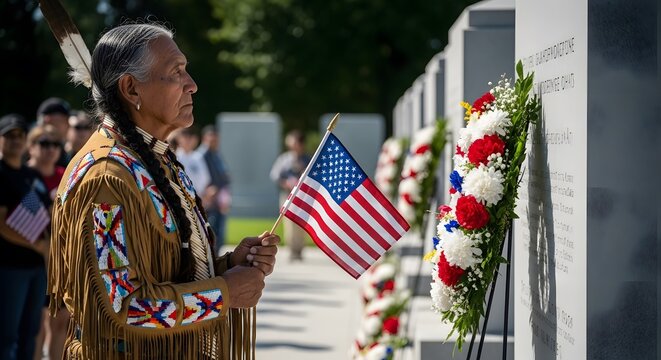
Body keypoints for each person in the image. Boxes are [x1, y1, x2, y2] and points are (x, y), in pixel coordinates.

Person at [48, 23, 279, 359]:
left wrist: (228, 266)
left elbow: (167, 273)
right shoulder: (105, 179)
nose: (192, 85)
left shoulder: (158, 162)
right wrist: (224, 292)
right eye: (177, 72)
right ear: (131, 88)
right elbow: (126, 306)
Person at [0, 114, 51, 360]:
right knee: (7, 335)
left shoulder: (32, 177)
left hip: (36, 267)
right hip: (9, 267)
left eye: (20, 135)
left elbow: (44, 217)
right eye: (9, 136)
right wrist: (39, 245)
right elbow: (2, 224)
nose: (16, 141)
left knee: (30, 333)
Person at [25, 125, 69, 360]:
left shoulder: (65, 175)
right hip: (31, 258)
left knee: (60, 322)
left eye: (55, 145)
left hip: (61, 260)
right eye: (43, 143)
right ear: (30, 146)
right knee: (37, 326)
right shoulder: (23, 176)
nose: (50, 149)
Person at [269, 129, 310, 261]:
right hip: (288, 195)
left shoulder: (307, 159)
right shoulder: (284, 159)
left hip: (303, 197)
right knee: (289, 224)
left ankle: (299, 250)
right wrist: (285, 182)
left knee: (301, 224)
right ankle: (292, 250)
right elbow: (275, 175)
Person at [197, 125, 231, 256]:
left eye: (216, 138)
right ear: (205, 138)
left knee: (219, 232)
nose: (214, 140)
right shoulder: (200, 156)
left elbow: (223, 176)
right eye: (211, 137)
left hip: (219, 200)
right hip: (208, 200)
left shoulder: (216, 154)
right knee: (211, 232)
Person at [36, 98, 71, 168]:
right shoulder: (33, 150)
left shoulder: (65, 151)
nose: (68, 124)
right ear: (47, 121)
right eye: (61, 121)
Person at [174, 127, 210, 192]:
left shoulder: (198, 157)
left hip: (199, 197)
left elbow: (205, 179)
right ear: (179, 139)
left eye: (190, 137)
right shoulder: (175, 157)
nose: (188, 140)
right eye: (185, 137)